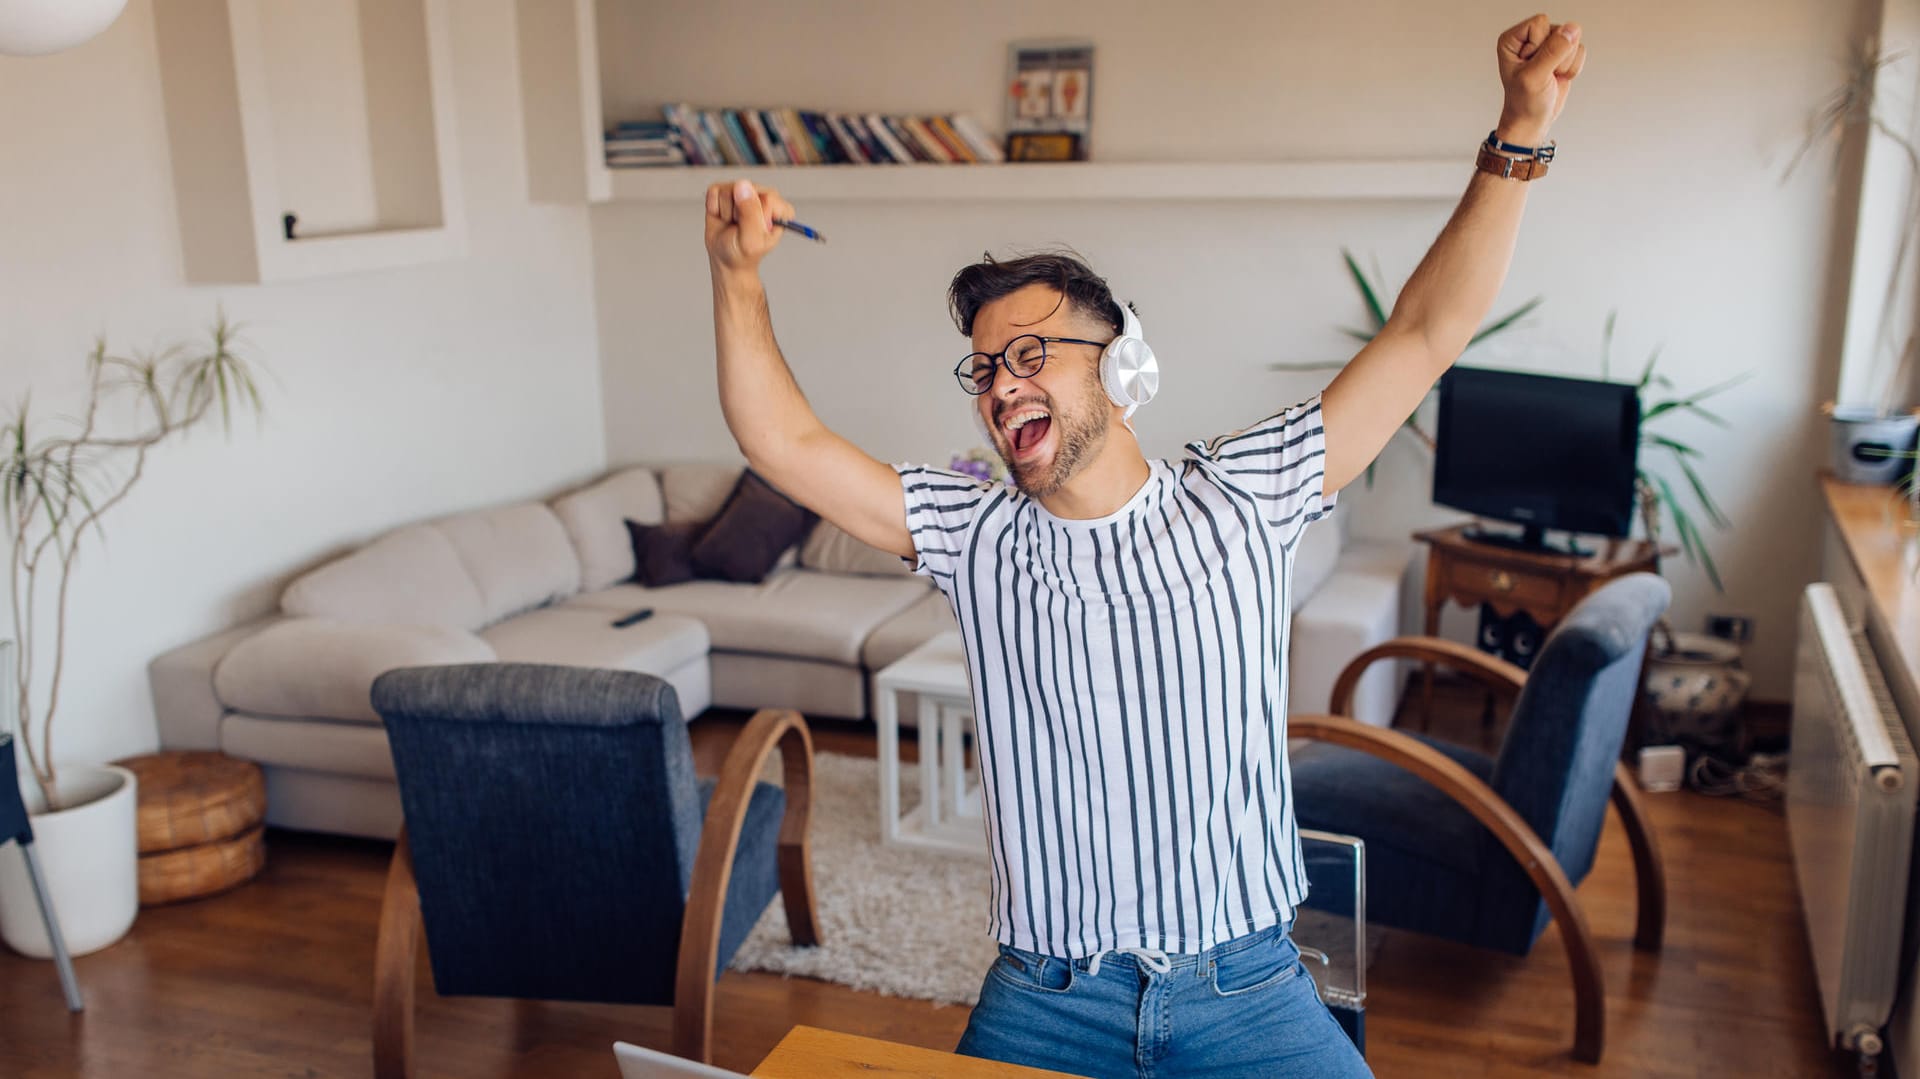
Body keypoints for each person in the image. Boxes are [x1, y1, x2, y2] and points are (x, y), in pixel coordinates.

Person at [701, 14, 1585, 1077]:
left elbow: (1424, 334)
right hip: (1045, 997)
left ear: (1121, 368)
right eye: (982, 369)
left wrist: (1519, 132)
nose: (1000, 383)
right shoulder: (971, 530)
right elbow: (783, 441)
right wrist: (737, 276)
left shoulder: (1244, 496)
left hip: (1247, 989)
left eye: (1031, 352)